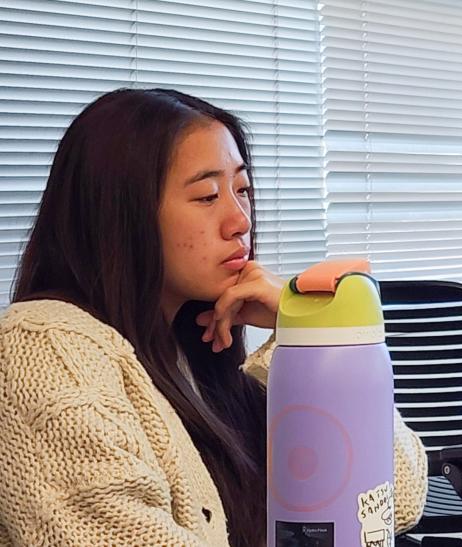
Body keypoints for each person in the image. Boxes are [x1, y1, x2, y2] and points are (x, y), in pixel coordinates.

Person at [0, 88, 427, 546]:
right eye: (206, 196)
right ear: (119, 214)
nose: (239, 219)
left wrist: (310, 337)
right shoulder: (40, 347)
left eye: (242, 189)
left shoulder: (195, 354)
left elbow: (394, 497)